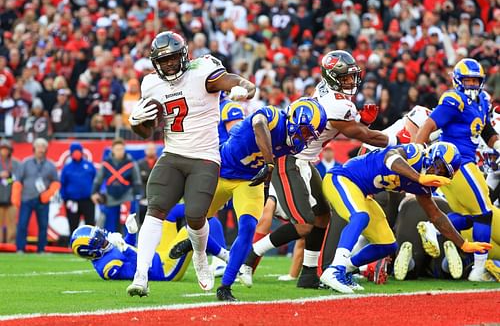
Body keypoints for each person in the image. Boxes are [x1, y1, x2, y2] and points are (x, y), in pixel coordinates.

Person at [239, 50, 400, 289]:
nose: (350, 81)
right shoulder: (336, 104)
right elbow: (361, 135)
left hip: (306, 160)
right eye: (345, 77)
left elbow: (350, 127)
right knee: (305, 223)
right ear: (333, 77)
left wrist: (361, 121)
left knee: (323, 215)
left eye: (350, 76)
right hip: (290, 159)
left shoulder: (326, 90)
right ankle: (250, 257)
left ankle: (309, 274)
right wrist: (398, 140)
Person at [126, 31, 256, 297]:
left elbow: (233, 81)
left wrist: (242, 87)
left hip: (205, 158)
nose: (169, 64)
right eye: (163, 61)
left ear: (183, 55)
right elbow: (147, 131)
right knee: (155, 209)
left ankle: (199, 255)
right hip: (172, 154)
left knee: (196, 216)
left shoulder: (202, 70)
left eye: (173, 58)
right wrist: (135, 123)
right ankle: (141, 276)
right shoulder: (151, 84)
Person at [320, 142, 492, 293]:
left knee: (387, 245)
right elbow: (390, 156)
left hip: (362, 193)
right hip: (342, 178)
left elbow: (436, 216)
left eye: (442, 172)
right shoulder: (416, 153)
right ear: (433, 155)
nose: (437, 172)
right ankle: (334, 269)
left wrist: (463, 243)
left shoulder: (423, 184)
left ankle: (347, 270)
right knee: (360, 216)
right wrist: (419, 177)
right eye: (439, 166)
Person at [206, 98, 327, 301]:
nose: (305, 138)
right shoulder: (273, 116)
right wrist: (269, 164)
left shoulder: (294, 146)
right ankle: (199, 246)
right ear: (295, 119)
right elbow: (258, 124)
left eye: (309, 135)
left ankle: (225, 286)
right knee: (194, 219)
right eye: (305, 131)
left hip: (247, 180)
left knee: (247, 228)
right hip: (220, 170)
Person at [415, 58, 500, 281]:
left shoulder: (483, 101)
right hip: (457, 161)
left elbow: (486, 130)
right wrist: (415, 153)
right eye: (468, 80)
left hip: (465, 161)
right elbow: (429, 125)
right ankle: (479, 268)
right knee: (485, 213)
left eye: (475, 80)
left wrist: (497, 144)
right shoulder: (454, 99)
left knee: (471, 215)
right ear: (458, 81)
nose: (472, 84)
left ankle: (433, 228)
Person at [71, 212, 228, 281]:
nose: (103, 238)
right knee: (195, 226)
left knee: (170, 213)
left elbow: (129, 249)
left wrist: (131, 233)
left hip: (157, 254)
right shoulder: (107, 268)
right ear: (90, 252)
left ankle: (205, 207)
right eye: (99, 239)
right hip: (164, 268)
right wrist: (124, 247)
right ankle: (223, 258)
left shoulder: (105, 251)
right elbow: (138, 266)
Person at [11, 138, 60, 253]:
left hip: (43, 201)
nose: (41, 150)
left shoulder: (50, 165)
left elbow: (56, 182)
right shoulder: (25, 163)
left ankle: (41, 249)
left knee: (43, 226)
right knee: (22, 224)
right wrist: (16, 197)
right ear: (34, 148)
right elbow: (18, 180)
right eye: (39, 147)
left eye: (43, 147)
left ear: (46, 149)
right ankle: (20, 248)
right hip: (26, 198)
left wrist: (48, 194)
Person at [91, 138, 142, 233]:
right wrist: (94, 192)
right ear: (113, 150)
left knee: (128, 224)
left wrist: (137, 195)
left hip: (127, 197)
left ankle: (128, 245)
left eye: (121, 149)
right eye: (117, 149)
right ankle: (111, 246)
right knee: (110, 225)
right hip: (110, 197)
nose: (119, 152)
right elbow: (98, 179)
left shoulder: (131, 163)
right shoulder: (106, 164)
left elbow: (137, 181)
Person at [60, 142, 97, 235]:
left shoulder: (89, 165)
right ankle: (73, 245)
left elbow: (96, 181)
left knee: (90, 225)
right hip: (72, 201)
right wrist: (65, 199)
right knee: (73, 225)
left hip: (88, 200)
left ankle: (91, 245)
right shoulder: (67, 168)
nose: (77, 153)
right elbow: (62, 184)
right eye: (74, 151)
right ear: (71, 153)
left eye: (78, 151)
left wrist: (95, 193)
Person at [0, 139, 19, 244]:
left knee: (11, 224)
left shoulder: (15, 163)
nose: (4, 151)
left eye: (6, 149)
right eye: (2, 149)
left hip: (11, 199)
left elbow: (19, 178)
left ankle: (11, 245)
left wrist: (10, 177)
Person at [137, 142, 159, 225]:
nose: (151, 151)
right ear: (145, 151)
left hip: (157, 197)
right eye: (149, 149)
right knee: (142, 222)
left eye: (152, 149)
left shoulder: (160, 163)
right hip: (143, 198)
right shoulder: (140, 164)